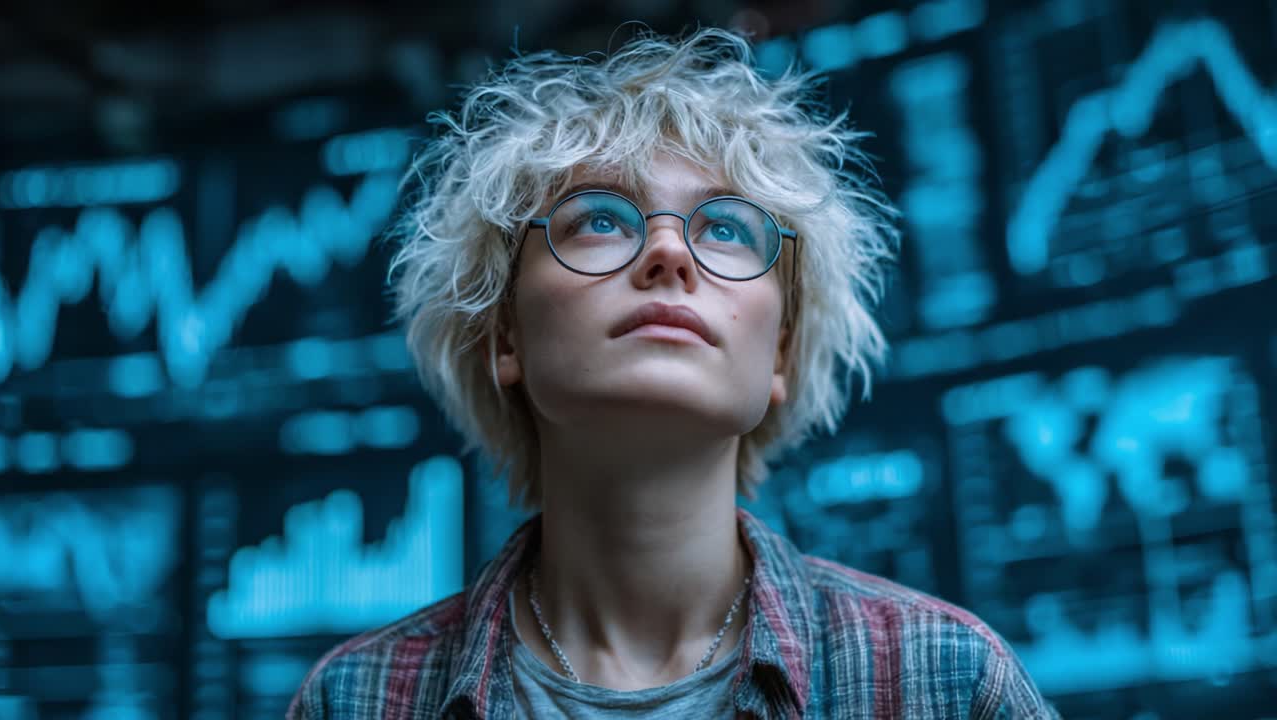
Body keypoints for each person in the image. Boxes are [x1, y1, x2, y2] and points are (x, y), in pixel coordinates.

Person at [287, 26, 1060, 719]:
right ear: (505, 336)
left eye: (724, 227)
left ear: (782, 353)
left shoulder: (948, 683)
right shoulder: (355, 700)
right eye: (599, 218)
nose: (670, 252)